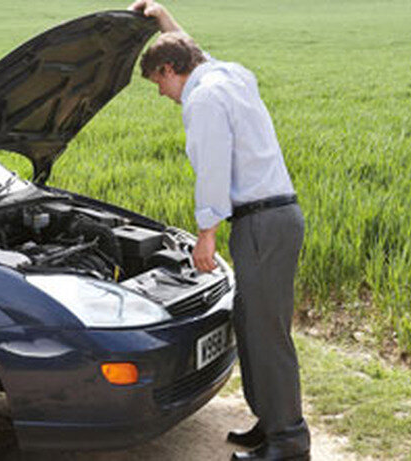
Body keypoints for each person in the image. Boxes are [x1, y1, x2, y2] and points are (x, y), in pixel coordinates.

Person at [127, 2, 310, 460]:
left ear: (169, 69)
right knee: (250, 323)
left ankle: (288, 441)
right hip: (271, 221)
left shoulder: (204, 99)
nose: (162, 94)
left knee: (267, 335)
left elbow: (212, 169)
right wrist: (162, 16)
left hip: (262, 223)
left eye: (158, 83)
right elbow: (195, 51)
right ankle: (271, 422)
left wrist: (205, 233)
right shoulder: (228, 75)